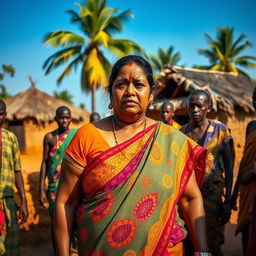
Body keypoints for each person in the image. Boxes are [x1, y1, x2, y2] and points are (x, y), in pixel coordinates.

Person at [54, 55, 210, 256]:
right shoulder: (86, 137)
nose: (130, 92)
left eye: (138, 84)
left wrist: (203, 251)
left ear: (151, 93)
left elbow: (190, 199)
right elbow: (65, 202)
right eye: (121, 85)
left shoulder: (172, 141)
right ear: (110, 94)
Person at [181, 90, 235, 256]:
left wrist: (228, 202)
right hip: (187, 199)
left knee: (212, 241)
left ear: (208, 108)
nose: (195, 110)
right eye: (192, 106)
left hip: (213, 198)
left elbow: (229, 167)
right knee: (189, 241)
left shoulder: (221, 132)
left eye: (199, 106)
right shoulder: (182, 133)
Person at [39, 106, 77, 250]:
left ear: (71, 119)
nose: (64, 120)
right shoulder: (49, 138)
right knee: (56, 221)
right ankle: (58, 251)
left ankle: (72, 250)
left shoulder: (76, 135)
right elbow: (44, 162)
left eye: (67, 117)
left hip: (72, 186)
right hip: (54, 187)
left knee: (73, 220)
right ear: (56, 119)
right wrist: (41, 190)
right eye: (61, 117)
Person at [0, 99, 28, 255]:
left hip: (9, 201)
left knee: (10, 248)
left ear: (5, 115)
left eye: (0, 114)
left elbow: (18, 170)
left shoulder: (11, 138)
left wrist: (23, 201)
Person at [232, 87, 256, 255]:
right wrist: (233, 195)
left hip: (254, 183)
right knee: (246, 231)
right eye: (254, 99)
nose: (255, 103)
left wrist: (254, 173)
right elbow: (243, 163)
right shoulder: (251, 126)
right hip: (246, 188)